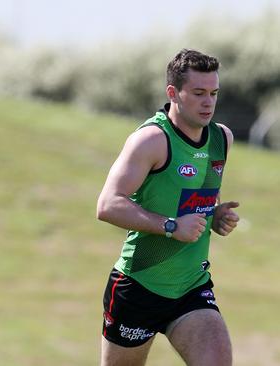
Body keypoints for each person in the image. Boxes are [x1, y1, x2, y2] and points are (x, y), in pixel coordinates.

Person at [96, 49, 240, 366]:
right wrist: (171, 226)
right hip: (139, 287)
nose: (208, 102)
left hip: (192, 287)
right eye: (199, 93)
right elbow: (108, 204)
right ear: (173, 93)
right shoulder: (151, 140)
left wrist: (214, 214)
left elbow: (192, 193)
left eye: (214, 93)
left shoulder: (221, 139)